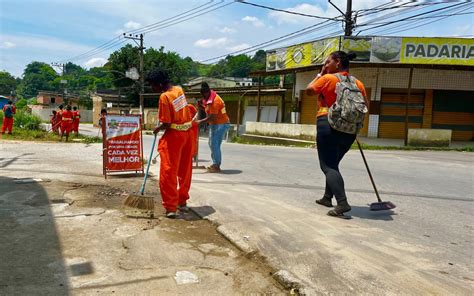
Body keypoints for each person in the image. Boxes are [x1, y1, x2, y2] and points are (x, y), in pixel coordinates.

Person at [305, 51, 367, 217]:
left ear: (337, 63)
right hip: (350, 130)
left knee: (328, 166)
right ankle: (327, 197)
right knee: (334, 164)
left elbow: (309, 91)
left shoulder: (327, 79)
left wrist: (320, 74)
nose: (325, 66)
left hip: (328, 124)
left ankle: (342, 203)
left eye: (327, 62)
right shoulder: (358, 83)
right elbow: (366, 106)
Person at [147, 69, 194, 219]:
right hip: (187, 134)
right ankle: (182, 201)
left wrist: (157, 128)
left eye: (153, 85)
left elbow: (166, 123)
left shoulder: (164, 96)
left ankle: (170, 206)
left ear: (160, 84)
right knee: (185, 170)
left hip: (174, 137)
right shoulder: (179, 90)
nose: (152, 88)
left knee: (168, 172)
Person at [196, 82, 230, 173]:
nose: (204, 98)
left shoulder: (215, 101)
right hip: (215, 124)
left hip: (221, 124)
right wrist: (202, 107)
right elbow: (209, 110)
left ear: (207, 92)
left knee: (214, 144)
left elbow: (212, 117)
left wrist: (200, 122)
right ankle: (215, 163)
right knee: (212, 144)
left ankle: (217, 165)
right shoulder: (209, 99)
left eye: (204, 96)